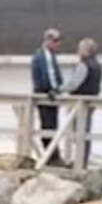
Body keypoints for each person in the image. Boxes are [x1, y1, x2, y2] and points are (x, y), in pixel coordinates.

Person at [64, 36, 102, 165]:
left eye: (80, 48)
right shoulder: (97, 65)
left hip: (80, 103)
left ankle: (80, 161)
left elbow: (74, 84)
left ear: (86, 50)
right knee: (85, 131)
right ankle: (83, 160)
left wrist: (58, 89)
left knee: (79, 131)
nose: (78, 51)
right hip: (91, 102)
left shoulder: (84, 65)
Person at [30, 27, 64, 159]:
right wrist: (53, 90)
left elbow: (56, 77)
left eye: (58, 41)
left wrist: (60, 88)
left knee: (52, 126)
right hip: (45, 96)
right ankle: (50, 156)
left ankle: (52, 155)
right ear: (48, 40)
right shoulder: (42, 57)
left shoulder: (50, 56)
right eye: (55, 41)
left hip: (51, 96)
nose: (57, 44)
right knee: (47, 126)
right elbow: (46, 78)